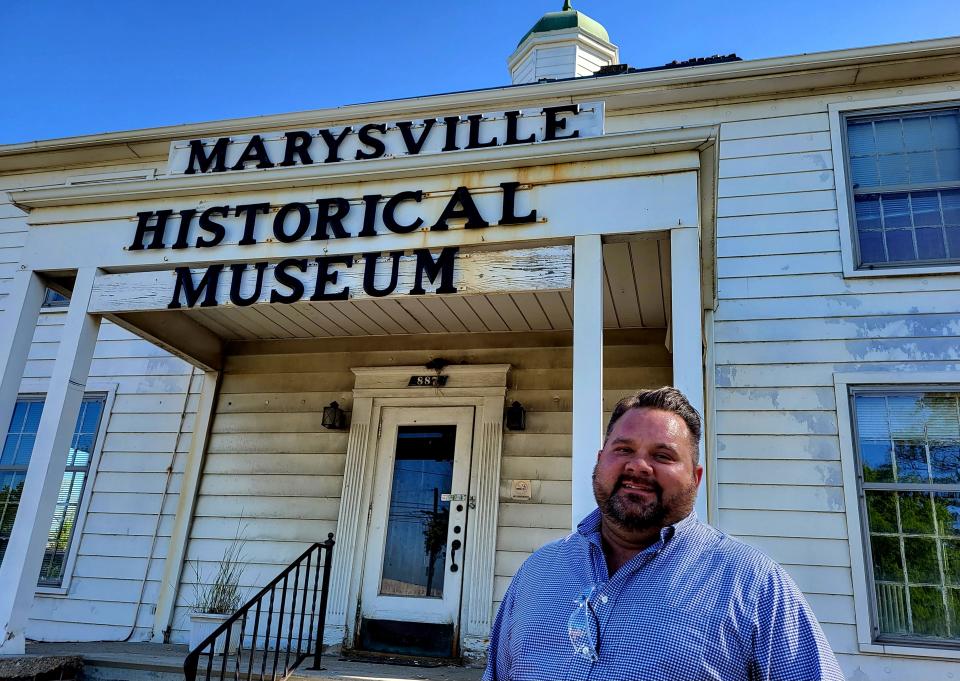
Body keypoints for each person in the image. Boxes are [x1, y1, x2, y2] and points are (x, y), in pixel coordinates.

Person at [483, 387, 844, 681]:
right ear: (600, 461)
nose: (638, 465)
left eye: (663, 455)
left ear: (695, 478)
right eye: (623, 449)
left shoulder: (754, 584)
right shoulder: (537, 572)